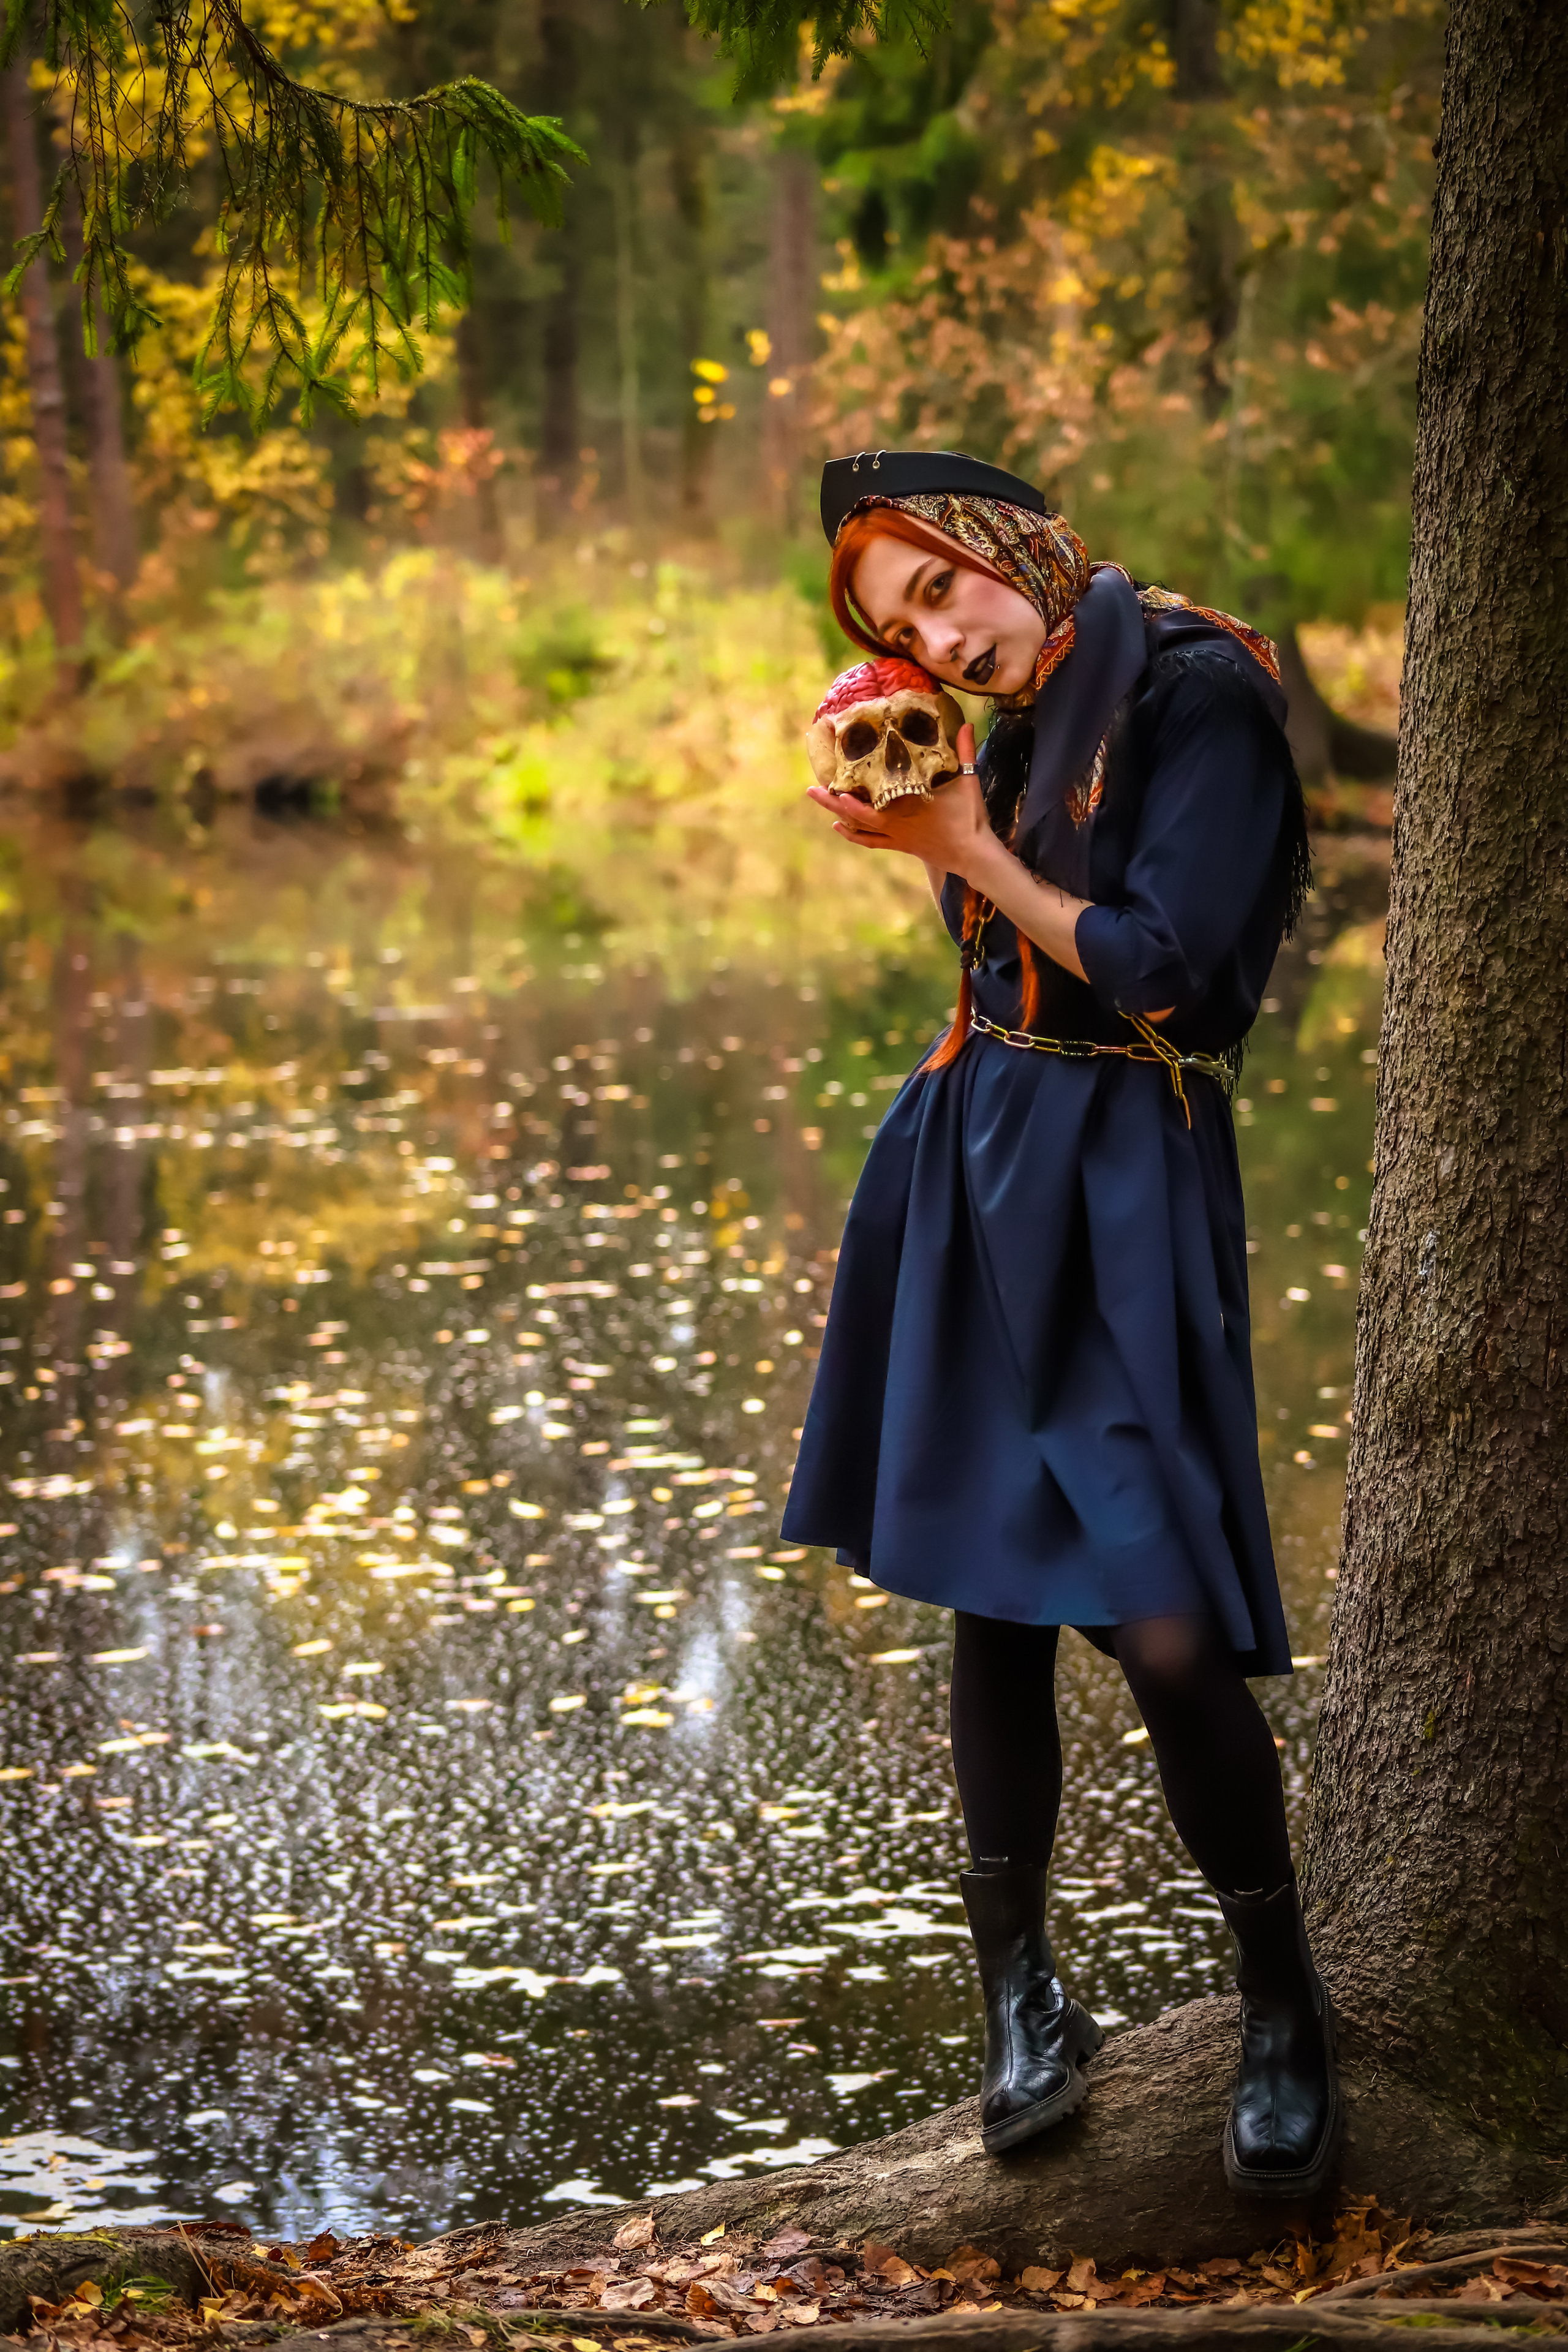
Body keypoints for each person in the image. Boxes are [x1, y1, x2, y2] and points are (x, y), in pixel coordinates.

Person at [780, 448, 1337, 2196]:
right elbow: (1012, 945)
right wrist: (921, 824)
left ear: (1012, 546)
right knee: (993, 1595)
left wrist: (961, 846)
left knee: (1159, 1625)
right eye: (897, 629)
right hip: (978, 1148)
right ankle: (1021, 1997)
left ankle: (1282, 2005)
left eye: (941, 589)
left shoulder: (1199, 690)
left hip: (1122, 1178)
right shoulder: (1011, 724)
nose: (940, 640)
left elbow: (1167, 968)